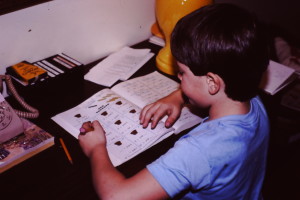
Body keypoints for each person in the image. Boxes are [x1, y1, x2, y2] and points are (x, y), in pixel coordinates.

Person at [78, 3, 270, 200]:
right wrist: (179, 96)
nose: (178, 78)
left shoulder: (200, 150)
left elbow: (116, 196)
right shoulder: (254, 101)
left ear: (213, 82)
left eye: (183, 73)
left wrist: (96, 148)